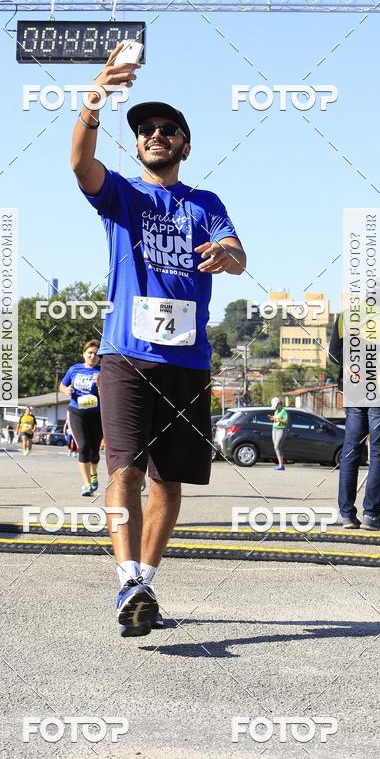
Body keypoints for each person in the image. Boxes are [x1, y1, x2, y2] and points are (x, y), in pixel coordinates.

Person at [71, 44, 246, 637]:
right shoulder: (123, 195)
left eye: (168, 129)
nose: (156, 135)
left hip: (188, 361)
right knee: (123, 469)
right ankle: (126, 580)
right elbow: (79, 165)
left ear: (185, 144)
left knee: (167, 481)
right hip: (125, 356)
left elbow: (240, 258)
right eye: (146, 129)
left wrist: (228, 253)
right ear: (137, 144)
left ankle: (143, 581)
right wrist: (96, 95)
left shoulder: (206, 202)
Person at [328, 273, 380, 530]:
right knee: (378, 453)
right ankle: (371, 515)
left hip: (354, 391)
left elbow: (333, 355)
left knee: (351, 450)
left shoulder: (345, 316)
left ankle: (346, 515)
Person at [59, 341, 103, 496]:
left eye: (96, 353)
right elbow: (62, 386)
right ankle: (86, 484)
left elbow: (110, 394)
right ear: (84, 354)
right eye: (89, 353)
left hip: (97, 415)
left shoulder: (103, 371)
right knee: (83, 447)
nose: (92, 356)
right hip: (76, 412)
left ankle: (94, 474)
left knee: (94, 451)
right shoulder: (74, 369)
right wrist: (66, 390)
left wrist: (100, 384)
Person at [269, 397, 288, 470]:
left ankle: (281, 465)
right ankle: (280, 464)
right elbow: (276, 421)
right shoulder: (276, 411)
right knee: (275, 447)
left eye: (276, 406)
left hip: (281, 430)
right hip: (274, 429)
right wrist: (272, 419)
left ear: (279, 404)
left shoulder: (284, 411)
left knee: (277, 446)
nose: (275, 407)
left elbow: (286, 422)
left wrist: (278, 419)